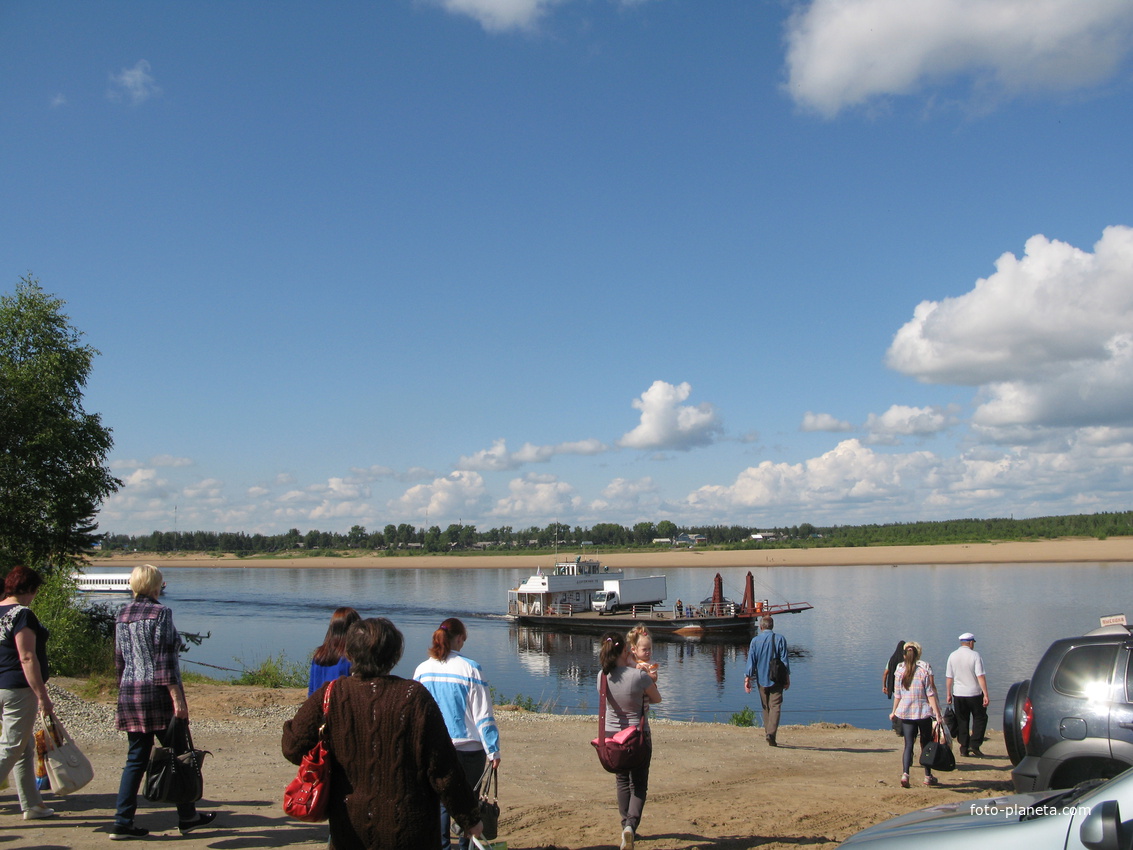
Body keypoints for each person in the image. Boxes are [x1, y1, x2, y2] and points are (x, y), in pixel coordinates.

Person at [284, 617, 484, 850]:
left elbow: (293, 746)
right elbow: (443, 769)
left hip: (350, 827)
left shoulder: (331, 695)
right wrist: (470, 819)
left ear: (350, 653)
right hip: (410, 829)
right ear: (395, 655)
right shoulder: (414, 696)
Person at [112, 563, 216, 840]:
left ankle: (122, 821)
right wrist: (178, 701)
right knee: (180, 753)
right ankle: (187, 816)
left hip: (129, 693)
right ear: (156, 585)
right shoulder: (161, 613)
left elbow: (119, 659)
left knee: (135, 758)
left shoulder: (122, 614)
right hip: (156, 695)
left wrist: (120, 690)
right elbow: (165, 661)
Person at [413, 617, 500, 850]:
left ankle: (442, 847)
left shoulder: (422, 670)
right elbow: (483, 715)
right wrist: (493, 750)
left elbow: (416, 714)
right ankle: (465, 847)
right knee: (468, 804)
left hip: (435, 749)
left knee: (441, 803)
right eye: (464, 639)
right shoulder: (471, 668)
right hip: (468, 749)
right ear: (459, 638)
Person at [598, 630, 662, 850]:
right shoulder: (639, 676)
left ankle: (625, 824)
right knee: (640, 784)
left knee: (622, 781)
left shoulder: (601, 676)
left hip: (611, 738)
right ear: (625, 651)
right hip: (637, 737)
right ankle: (630, 827)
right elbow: (657, 698)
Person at [0, 566, 55, 820]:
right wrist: (42, 695)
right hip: (18, 689)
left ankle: (32, 804)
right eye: (35, 591)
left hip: (2, 686)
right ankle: (32, 804)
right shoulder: (22, 614)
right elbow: (27, 656)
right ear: (30, 589)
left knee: (23, 746)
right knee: (11, 746)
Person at [889, 640, 945, 788]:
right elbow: (930, 694)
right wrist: (938, 714)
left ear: (904, 655)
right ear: (918, 654)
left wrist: (894, 711)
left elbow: (898, 695)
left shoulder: (899, 671)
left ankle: (905, 774)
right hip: (923, 712)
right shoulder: (923, 670)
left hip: (906, 712)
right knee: (925, 744)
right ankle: (927, 775)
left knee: (908, 744)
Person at [745, 615, 790, 746]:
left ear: (761, 626)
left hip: (761, 678)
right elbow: (784, 661)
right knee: (775, 706)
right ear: (772, 626)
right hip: (777, 678)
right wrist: (787, 678)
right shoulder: (780, 639)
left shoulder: (755, 641)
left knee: (765, 707)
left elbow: (751, 661)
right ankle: (771, 734)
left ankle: (768, 733)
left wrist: (747, 678)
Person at [946, 632, 989, 757]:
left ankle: (964, 747)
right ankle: (974, 744)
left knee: (962, 720)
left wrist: (948, 693)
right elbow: (980, 675)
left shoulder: (952, 656)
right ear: (970, 643)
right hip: (974, 693)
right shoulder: (975, 656)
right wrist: (985, 693)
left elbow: (949, 677)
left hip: (958, 694)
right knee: (980, 718)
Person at [307, 606, 360, 696]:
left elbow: (312, 690)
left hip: (320, 704)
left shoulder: (319, 655)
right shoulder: (350, 658)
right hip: (340, 706)